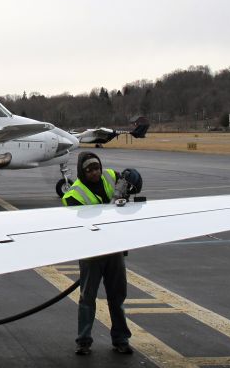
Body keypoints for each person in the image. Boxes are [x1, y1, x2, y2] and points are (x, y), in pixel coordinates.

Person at [62, 151, 133, 356]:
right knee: (87, 298)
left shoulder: (110, 176)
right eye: (90, 170)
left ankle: (121, 339)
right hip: (92, 252)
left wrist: (131, 182)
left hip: (113, 249)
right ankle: (83, 341)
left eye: (97, 167)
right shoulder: (74, 195)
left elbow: (126, 180)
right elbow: (83, 222)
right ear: (82, 172)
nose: (95, 172)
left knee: (117, 296)